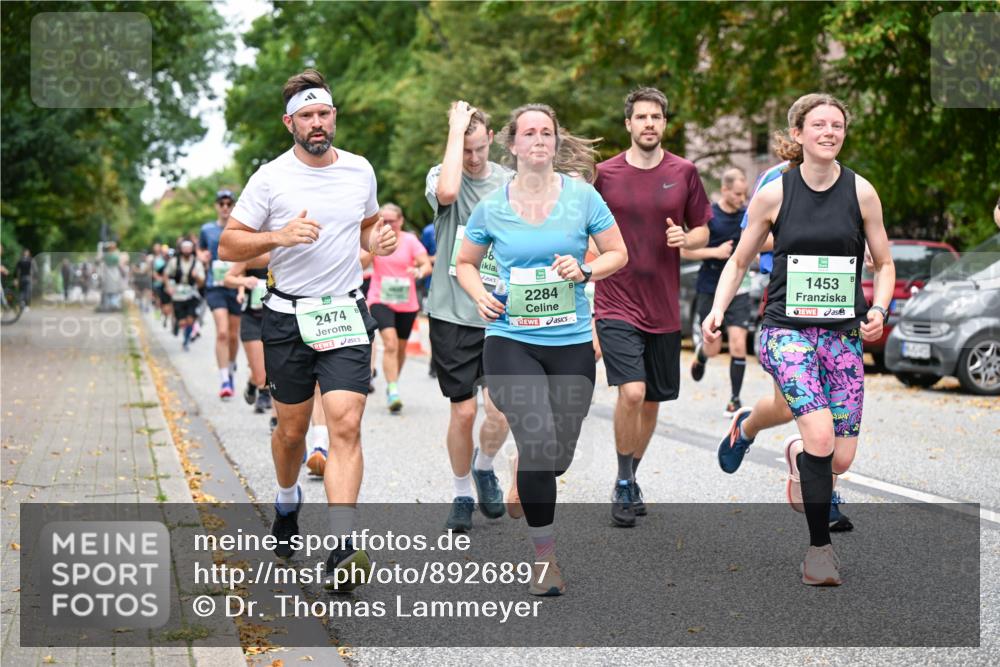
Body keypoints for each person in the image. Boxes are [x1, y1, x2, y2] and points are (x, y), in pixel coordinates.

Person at [218, 69, 397, 590]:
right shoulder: (270, 178)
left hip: (343, 311)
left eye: (324, 114)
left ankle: (343, 545)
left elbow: (365, 227)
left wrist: (376, 243)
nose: (317, 124)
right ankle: (287, 498)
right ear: (289, 122)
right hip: (285, 316)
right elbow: (230, 245)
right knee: (292, 432)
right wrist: (280, 236)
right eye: (306, 116)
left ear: (334, 117)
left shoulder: (360, 171)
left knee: (344, 425)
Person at [705, 93, 894, 586]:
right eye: (819, 125)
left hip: (842, 334)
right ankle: (819, 552)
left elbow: (886, 262)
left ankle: (793, 453)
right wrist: (718, 309)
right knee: (820, 436)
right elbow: (740, 260)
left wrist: (878, 308)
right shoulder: (775, 193)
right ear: (798, 135)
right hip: (785, 330)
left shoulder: (862, 192)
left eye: (837, 125)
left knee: (842, 457)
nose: (829, 132)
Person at [457, 103, 628, 596]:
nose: (538, 140)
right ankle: (544, 557)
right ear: (512, 145)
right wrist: (480, 294)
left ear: (555, 142)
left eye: (546, 133)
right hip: (511, 339)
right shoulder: (492, 206)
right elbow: (465, 262)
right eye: (528, 133)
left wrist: (587, 270)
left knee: (555, 456)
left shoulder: (583, 197)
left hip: (570, 341)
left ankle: (525, 467)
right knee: (536, 438)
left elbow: (619, 252)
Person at [593, 87, 711, 527]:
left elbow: (702, 229)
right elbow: (586, 228)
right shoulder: (604, 173)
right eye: (640, 117)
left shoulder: (684, 171)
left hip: (663, 304)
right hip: (616, 299)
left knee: (653, 401)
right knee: (632, 391)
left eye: (656, 117)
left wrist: (687, 240)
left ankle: (632, 474)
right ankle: (623, 481)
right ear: (627, 124)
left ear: (664, 123)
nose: (648, 124)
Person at [424, 101, 512, 532]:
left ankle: (485, 465)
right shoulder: (442, 174)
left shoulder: (511, 183)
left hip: (501, 312)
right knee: (462, 412)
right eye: (466, 148)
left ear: (492, 140)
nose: (474, 157)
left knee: (502, 407)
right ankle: (461, 492)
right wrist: (454, 133)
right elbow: (448, 194)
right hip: (454, 312)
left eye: (479, 148)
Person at [684, 167, 751, 415]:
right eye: (736, 194)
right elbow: (685, 251)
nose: (741, 200)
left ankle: (735, 399)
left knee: (738, 344)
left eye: (744, 195)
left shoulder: (748, 215)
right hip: (711, 287)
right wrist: (716, 252)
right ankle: (702, 355)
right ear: (724, 190)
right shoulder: (710, 216)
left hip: (739, 288)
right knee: (713, 346)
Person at [364, 203, 432, 413]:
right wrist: (373, 248)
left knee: (401, 348)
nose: (388, 224)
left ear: (400, 221)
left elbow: (426, 265)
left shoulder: (410, 241)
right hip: (379, 298)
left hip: (406, 301)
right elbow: (361, 262)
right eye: (383, 220)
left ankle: (393, 383)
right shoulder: (373, 238)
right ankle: (393, 389)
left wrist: (418, 271)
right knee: (391, 343)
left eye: (392, 220)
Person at [201, 190, 243, 399]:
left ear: (234, 206)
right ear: (217, 206)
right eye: (222, 203)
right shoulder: (207, 229)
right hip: (215, 286)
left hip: (235, 286)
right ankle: (224, 379)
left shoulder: (241, 229)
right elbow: (200, 251)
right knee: (223, 332)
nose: (225, 207)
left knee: (234, 336)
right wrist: (203, 256)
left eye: (229, 203)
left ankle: (232, 366)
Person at [222, 254, 273, 416]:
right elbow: (229, 278)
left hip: (278, 318)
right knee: (261, 371)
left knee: (273, 368)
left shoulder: (288, 250)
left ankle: (255, 386)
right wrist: (243, 285)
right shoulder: (253, 251)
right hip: (253, 317)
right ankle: (262, 391)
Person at [165, 239, 206, 350]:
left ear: (192, 249)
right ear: (181, 249)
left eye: (189, 248)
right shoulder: (174, 261)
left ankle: (186, 340)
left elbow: (202, 282)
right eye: (185, 248)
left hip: (192, 293)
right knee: (182, 321)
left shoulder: (197, 263)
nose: (187, 250)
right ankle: (177, 324)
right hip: (178, 294)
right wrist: (169, 287)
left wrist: (196, 276)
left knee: (190, 320)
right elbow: (167, 274)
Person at [419, 221, 437, 378]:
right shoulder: (428, 230)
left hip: (459, 286)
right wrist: (437, 258)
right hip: (432, 285)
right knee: (435, 325)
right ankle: (434, 363)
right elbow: (421, 259)